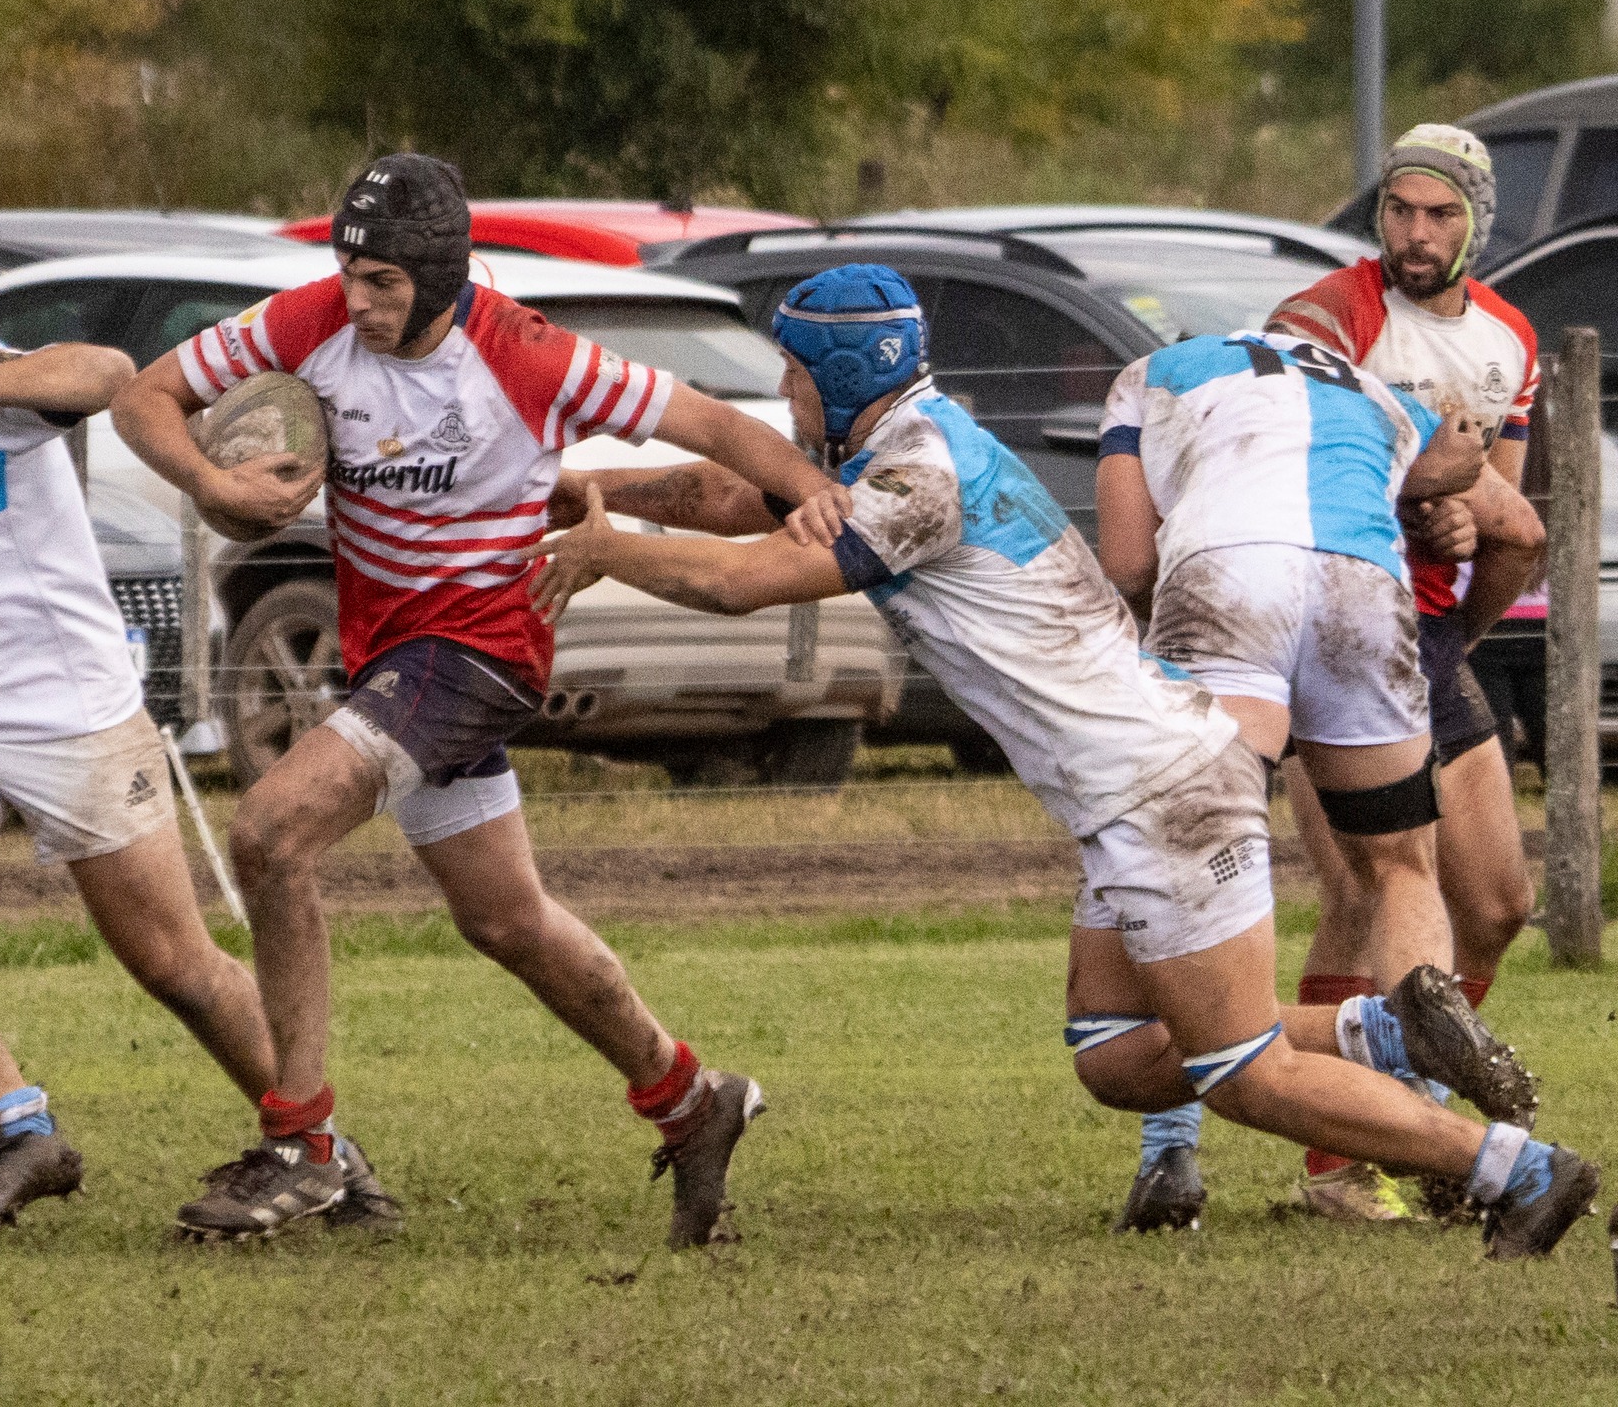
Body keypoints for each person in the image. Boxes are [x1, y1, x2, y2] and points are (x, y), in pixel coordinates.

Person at [523, 263, 1598, 1262]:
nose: (783, 392)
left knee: (1241, 1071)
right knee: (1114, 1054)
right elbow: (737, 499)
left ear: (832, 376)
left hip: (1158, 784)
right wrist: (604, 490)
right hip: (1144, 773)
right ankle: (1385, 1021)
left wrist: (603, 552)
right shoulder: (912, 443)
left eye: (791, 374)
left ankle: (1516, 1170)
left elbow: (745, 579)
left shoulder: (916, 483)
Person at [109, 154, 847, 1248]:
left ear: (443, 281)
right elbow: (143, 395)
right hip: (390, 657)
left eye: (384, 285)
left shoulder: (527, 353)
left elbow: (712, 426)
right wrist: (212, 484)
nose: (358, 301)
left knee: (267, 830)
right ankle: (690, 1097)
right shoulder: (309, 319)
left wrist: (822, 495)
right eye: (349, 274)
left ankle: (302, 1143)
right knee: (506, 919)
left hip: (480, 649)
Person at [0, 242, 395, 1239]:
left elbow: (102, 373)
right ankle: (20, 1129)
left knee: (175, 965)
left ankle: (324, 1152)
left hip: (77, 717)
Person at [1126, 124, 1551, 1224]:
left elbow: (1497, 506)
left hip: (1417, 632)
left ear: (1475, 223)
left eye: (1439, 215)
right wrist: (1422, 496)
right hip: (1318, 614)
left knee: (1498, 903)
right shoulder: (1330, 310)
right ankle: (1343, 1158)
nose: (1413, 235)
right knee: (1367, 887)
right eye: (1399, 211)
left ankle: (1422, 1097)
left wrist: (1460, 580)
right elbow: (1292, 411)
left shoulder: (1509, 339)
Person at [1092, 327, 1513, 1230]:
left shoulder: (1146, 378)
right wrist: (1438, 503)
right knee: (1401, 866)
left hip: (1227, 580)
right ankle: (1422, 1105)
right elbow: (1476, 483)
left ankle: (1169, 1153)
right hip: (1361, 584)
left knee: (1183, 859)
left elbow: (1128, 561)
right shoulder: (1370, 386)